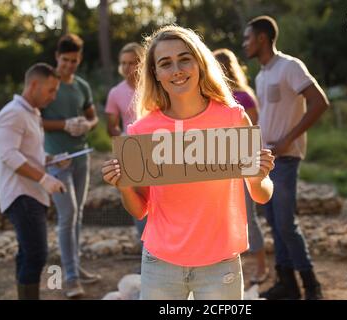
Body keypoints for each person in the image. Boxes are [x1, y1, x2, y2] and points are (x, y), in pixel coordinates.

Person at [102, 25, 275, 300]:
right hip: (161, 264)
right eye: (165, 63)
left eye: (184, 58)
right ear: (156, 74)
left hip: (220, 263)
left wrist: (257, 176)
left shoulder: (232, 119)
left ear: (199, 62)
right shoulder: (141, 131)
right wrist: (123, 186)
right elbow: (139, 210)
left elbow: (262, 194)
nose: (177, 70)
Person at [243, 15, 329, 300]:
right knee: (274, 223)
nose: (245, 43)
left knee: (285, 224)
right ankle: (287, 284)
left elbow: (319, 102)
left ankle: (312, 286)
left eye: (248, 38)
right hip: (266, 161)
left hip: (287, 158)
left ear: (263, 38)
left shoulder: (290, 67)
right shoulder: (261, 74)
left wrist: (288, 139)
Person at [0, 63, 67, 299]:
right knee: (36, 255)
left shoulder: (31, 113)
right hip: (21, 194)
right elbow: (9, 155)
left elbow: (28, 153)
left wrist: (52, 159)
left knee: (27, 254)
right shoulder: (12, 113)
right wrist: (44, 178)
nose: (53, 97)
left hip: (32, 192)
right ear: (34, 84)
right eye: (51, 90)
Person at [41, 34, 100, 299]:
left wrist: (86, 125)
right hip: (55, 159)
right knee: (68, 214)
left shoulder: (82, 86)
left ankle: (75, 265)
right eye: (65, 60)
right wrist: (64, 124)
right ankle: (71, 277)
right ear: (57, 57)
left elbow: (93, 117)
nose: (69, 66)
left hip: (81, 155)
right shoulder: (47, 84)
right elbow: (35, 119)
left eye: (74, 61)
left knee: (78, 215)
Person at [213, 48, 269, 285]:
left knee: (248, 215)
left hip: (243, 164)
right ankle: (233, 268)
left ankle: (262, 267)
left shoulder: (243, 97)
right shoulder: (212, 99)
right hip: (218, 167)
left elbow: (252, 129)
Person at [105, 42, 147, 238]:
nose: (127, 67)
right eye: (123, 63)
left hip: (157, 149)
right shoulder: (115, 92)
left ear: (142, 63)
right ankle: (146, 253)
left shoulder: (155, 87)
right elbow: (111, 126)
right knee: (138, 204)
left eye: (132, 62)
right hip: (131, 153)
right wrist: (120, 136)